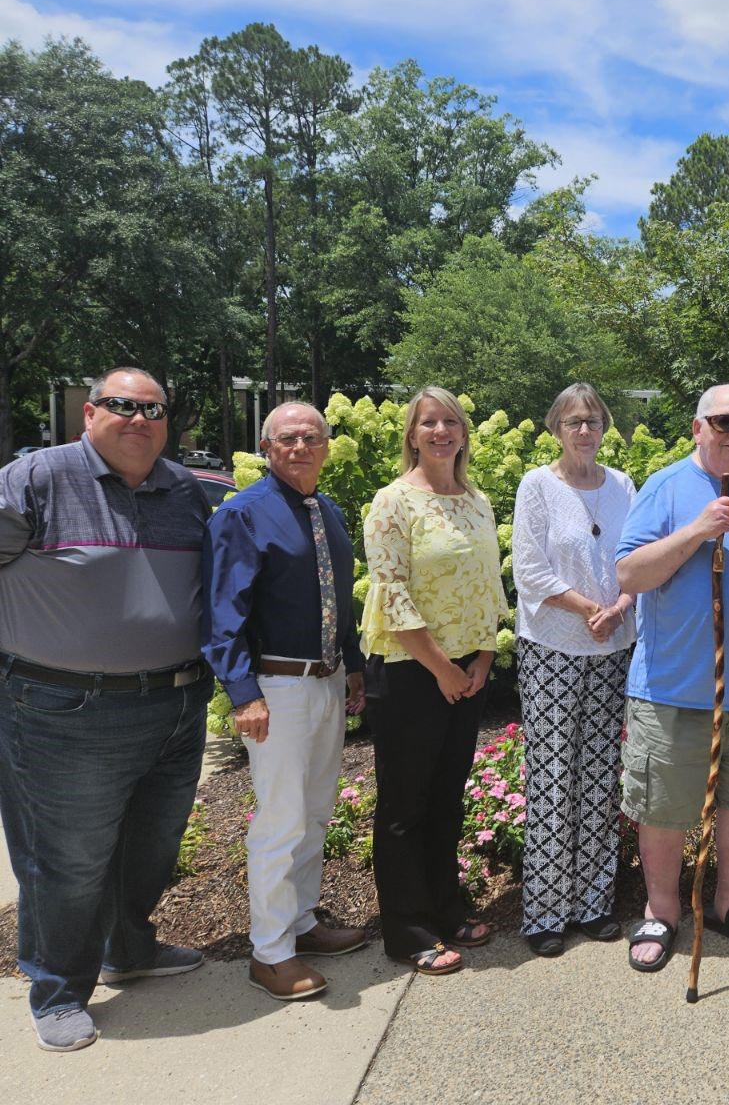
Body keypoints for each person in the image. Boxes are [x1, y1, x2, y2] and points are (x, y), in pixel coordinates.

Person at [0, 367, 212, 1052]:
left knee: (151, 845)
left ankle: (132, 947)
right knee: (68, 860)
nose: (139, 419)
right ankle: (58, 988)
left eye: (152, 408)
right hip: (65, 710)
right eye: (121, 405)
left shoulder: (183, 490)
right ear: (88, 413)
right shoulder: (37, 478)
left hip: (176, 705)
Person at [615, 384, 729, 972]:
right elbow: (630, 573)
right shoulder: (666, 487)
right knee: (665, 806)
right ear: (698, 427)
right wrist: (695, 531)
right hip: (675, 688)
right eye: (723, 422)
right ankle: (663, 910)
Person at [202, 402, 368, 1001]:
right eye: (287, 438)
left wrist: (353, 667)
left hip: (324, 680)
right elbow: (223, 615)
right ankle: (270, 952)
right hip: (276, 686)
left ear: (326, 445)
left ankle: (301, 921)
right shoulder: (243, 515)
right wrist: (243, 694)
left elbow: (337, 600)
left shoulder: (327, 510)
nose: (300, 446)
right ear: (267, 447)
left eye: (311, 436)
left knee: (317, 808)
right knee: (280, 818)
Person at [362, 387, 507, 975]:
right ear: (412, 436)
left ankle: (447, 906)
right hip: (409, 673)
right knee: (404, 806)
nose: (441, 430)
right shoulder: (393, 502)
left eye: (451, 421)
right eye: (429, 422)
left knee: (447, 799)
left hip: (465, 672)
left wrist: (480, 660)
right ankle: (406, 928)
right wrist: (441, 667)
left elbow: (490, 587)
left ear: (464, 433)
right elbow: (390, 591)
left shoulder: (476, 501)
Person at [511, 384, 636, 957]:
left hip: (613, 648)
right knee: (553, 776)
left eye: (592, 421)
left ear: (605, 427)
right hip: (553, 649)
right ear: (555, 429)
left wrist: (620, 608)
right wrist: (590, 608)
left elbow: (636, 559)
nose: (583, 431)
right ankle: (545, 911)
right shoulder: (538, 486)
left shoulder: (622, 487)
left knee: (598, 773)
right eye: (572, 422)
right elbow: (531, 571)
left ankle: (593, 903)